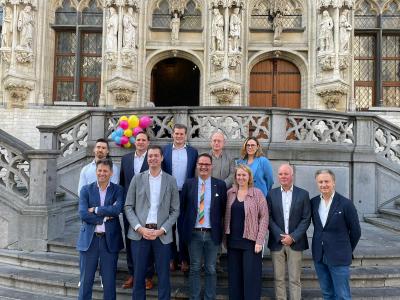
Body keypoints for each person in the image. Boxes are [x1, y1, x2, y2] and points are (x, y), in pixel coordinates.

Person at [124, 145, 180, 300]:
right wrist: (139, 228)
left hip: (161, 235)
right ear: (147, 158)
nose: (153, 158)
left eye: (156, 155)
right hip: (139, 234)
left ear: (162, 158)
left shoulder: (171, 180)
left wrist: (162, 229)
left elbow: (175, 210)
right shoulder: (137, 178)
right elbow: (128, 206)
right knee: (139, 275)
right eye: (150, 156)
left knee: (163, 276)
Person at [180, 153, 227, 300]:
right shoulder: (189, 184)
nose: (203, 167)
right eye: (201, 164)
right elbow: (183, 210)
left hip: (212, 234)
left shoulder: (220, 185)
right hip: (194, 234)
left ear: (211, 166)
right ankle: (194, 297)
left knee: (211, 269)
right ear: (196, 166)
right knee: (194, 268)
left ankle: (209, 297)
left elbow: (224, 210)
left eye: (207, 164)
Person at [76, 158, 124, 300]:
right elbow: (83, 214)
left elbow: (117, 210)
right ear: (96, 171)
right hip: (89, 241)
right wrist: (104, 217)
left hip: (109, 241)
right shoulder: (86, 190)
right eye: (99, 170)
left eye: (105, 171)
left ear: (111, 173)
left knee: (109, 282)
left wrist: (96, 209)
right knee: (86, 281)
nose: (102, 173)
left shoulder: (118, 190)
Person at [311, 169, 361, 300]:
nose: (324, 185)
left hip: (339, 256)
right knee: (327, 294)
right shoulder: (314, 202)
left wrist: (346, 249)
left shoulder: (346, 204)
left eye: (327, 181)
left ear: (334, 183)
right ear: (317, 183)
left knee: (342, 295)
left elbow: (356, 231)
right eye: (320, 182)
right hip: (319, 255)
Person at [267, 164, 311, 300]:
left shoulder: (303, 194)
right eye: (280, 174)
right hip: (277, 242)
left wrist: (293, 237)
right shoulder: (271, 194)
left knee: (294, 279)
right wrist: (280, 236)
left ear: (292, 175)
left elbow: (306, 218)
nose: (283, 176)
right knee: (278, 279)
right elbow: (268, 217)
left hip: (295, 243)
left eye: (286, 174)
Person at [224, 164, 269, 300]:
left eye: (244, 175)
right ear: (235, 177)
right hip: (233, 242)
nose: (241, 177)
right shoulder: (230, 193)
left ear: (249, 177)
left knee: (251, 279)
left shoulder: (257, 193)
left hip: (251, 243)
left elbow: (264, 217)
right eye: (239, 175)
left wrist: (260, 240)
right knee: (234, 279)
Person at [120, 132, 154, 290]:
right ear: (135, 142)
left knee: (147, 240)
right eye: (138, 140)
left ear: (148, 142)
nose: (140, 142)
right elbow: (122, 183)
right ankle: (132, 273)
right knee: (130, 240)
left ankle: (147, 275)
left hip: (148, 207)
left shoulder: (153, 158)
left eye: (143, 140)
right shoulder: (125, 159)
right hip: (129, 207)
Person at [162, 123, 198, 272]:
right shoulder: (165, 150)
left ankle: (184, 258)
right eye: (176, 133)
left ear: (186, 135)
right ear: (172, 134)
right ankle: (172, 258)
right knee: (169, 226)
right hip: (169, 193)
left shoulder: (192, 152)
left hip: (186, 193)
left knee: (184, 226)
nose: (178, 136)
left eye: (181, 134)